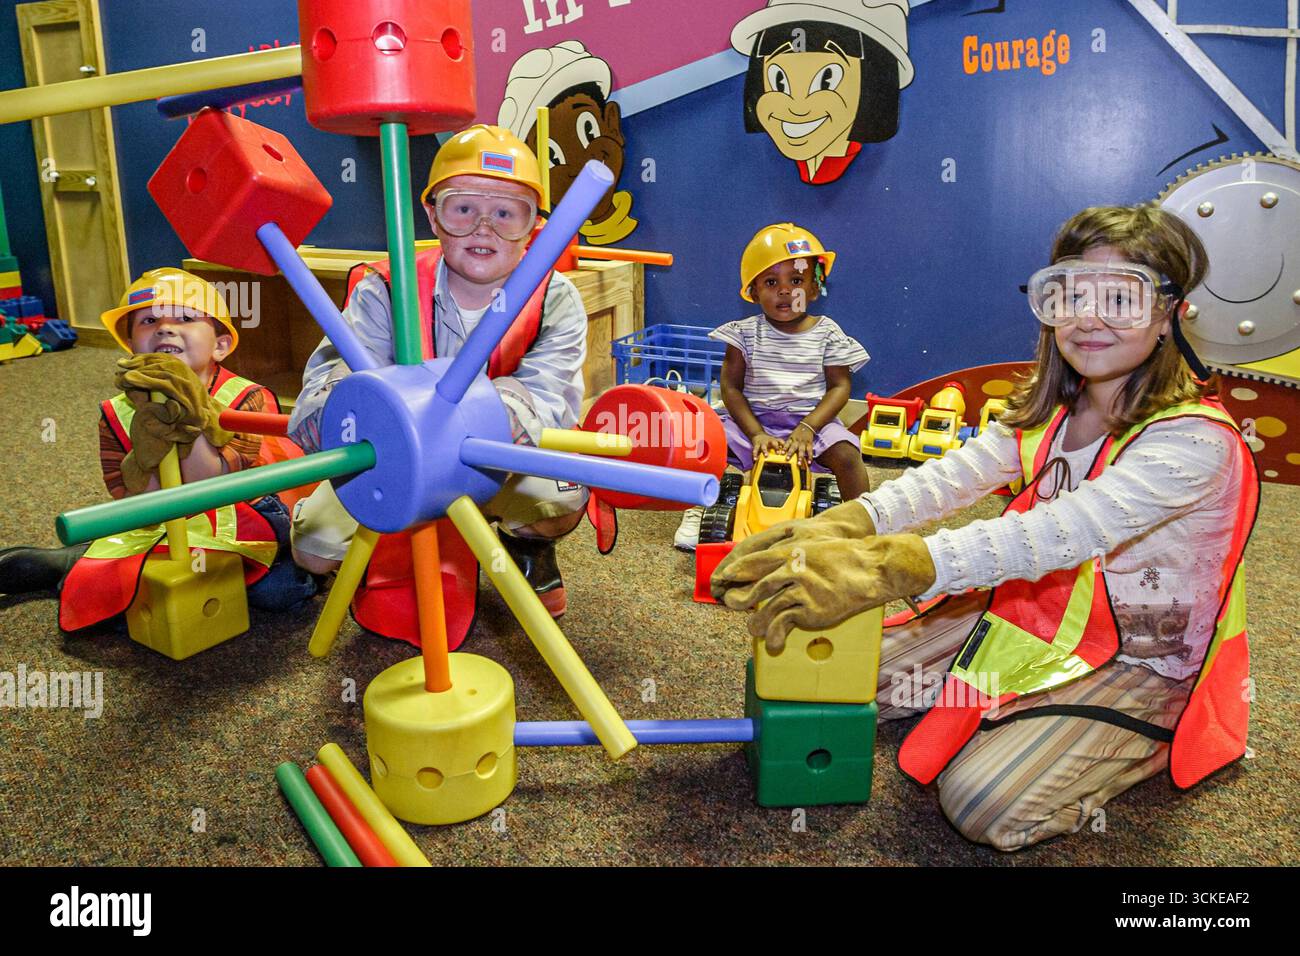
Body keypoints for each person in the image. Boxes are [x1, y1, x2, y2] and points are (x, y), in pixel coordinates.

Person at [712, 204, 1259, 851]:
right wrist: (844, 523)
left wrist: (891, 566)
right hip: (1040, 616)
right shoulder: (1058, 405)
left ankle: (1139, 736)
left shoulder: (1194, 441)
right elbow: (952, 478)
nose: (1089, 317)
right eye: (1072, 293)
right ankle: (1009, 707)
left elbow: (1059, 533)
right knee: (848, 676)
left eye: (1121, 298)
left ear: (1171, 313)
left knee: (981, 805)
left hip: (1139, 658)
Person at [288, 124, 589, 623]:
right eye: (463, 208)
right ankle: (387, 545)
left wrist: (463, 431)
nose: (484, 228)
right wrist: (353, 419)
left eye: (506, 214)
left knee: (560, 495)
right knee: (314, 548)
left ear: (533, 226)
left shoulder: (556, 298)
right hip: (393, 459)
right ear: (432, 214)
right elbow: (325, 390)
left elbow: (546, 396)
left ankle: (526, 547)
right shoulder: (384, 286)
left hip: (500, 460)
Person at [0, 268, 318, 626]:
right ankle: (74, 559)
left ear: (220, 345)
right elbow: (137, 501)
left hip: (244, 519)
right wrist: (147, 444)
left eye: (185, 318)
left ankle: (297, 561)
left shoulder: (247, 397)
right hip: (159, 523)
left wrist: (187, 409)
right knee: (125, 589)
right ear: (131, 345)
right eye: (149, 321)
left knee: (278, 594)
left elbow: (209, 486)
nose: (165, 328)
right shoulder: (115, 411)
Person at [675, 222, 870, 550]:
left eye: (796, 280)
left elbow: (840, 387)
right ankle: (696, 508)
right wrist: (755, 433)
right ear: (753, 291)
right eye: (770, 282)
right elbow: (731, 389)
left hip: (813, 424)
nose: (784, 291)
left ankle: (863, 522)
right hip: (752, 421)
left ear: (813, 287)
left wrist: (809, 427)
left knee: (849, 456)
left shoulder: (828, 333)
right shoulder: (742, 334)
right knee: (704, 444)